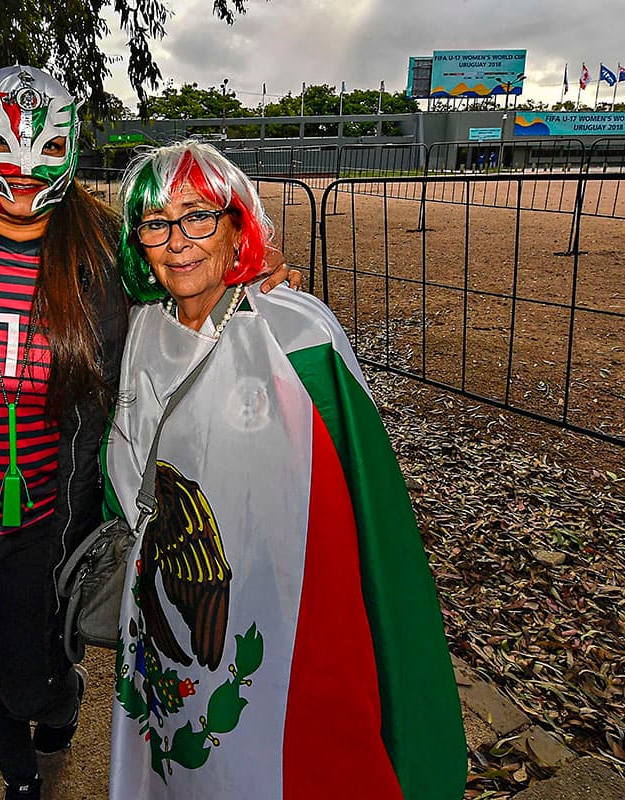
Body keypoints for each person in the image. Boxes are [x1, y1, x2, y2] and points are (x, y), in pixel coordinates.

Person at [0, 66, 299, 800]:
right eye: (2, 156)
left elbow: (177, 298)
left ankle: (60, 699)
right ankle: (18, 771)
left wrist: (247, 292)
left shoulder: (105, 249)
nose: (19, 181)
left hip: (49, 515)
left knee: (24, 669)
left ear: (70, 151)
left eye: (40, 158)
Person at [104, 140, 466, 798]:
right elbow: (127, 468)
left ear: (239, 223)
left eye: (199, 216)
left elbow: (343, 509)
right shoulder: (142, 332)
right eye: (156, 222)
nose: (178, 240)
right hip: (174, 610)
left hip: (281, 616)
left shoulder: (296, 333)